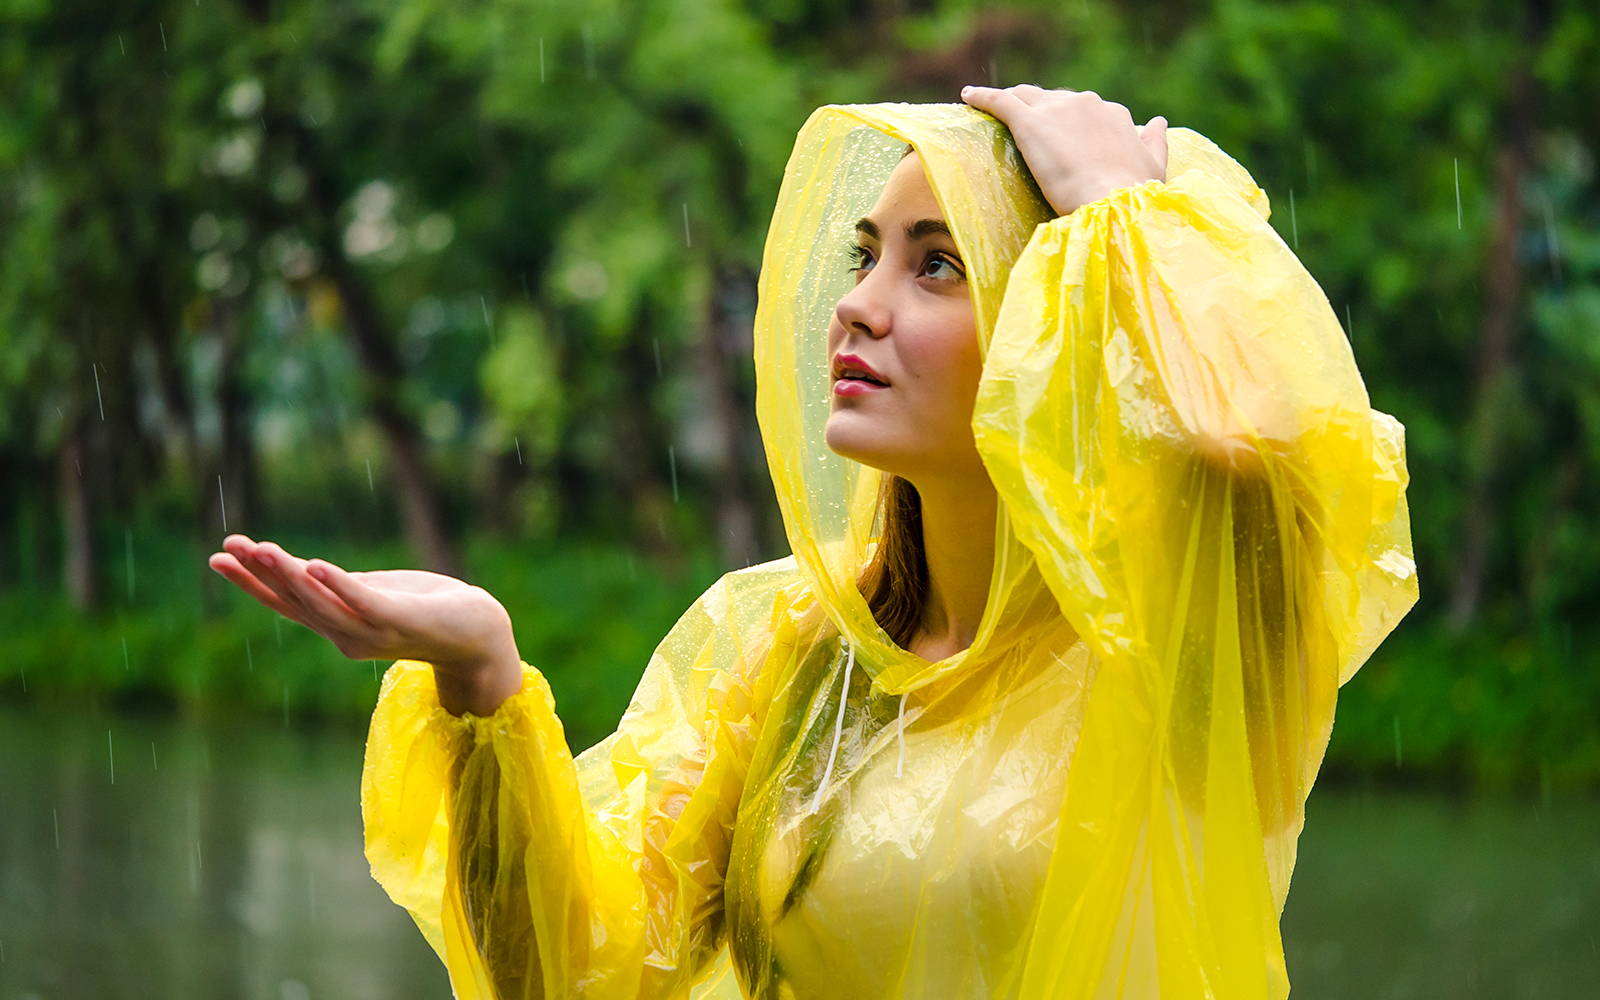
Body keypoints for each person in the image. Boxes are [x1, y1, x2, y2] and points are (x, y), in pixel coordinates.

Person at [210, 86, 1418, 1000]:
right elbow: (569, 973)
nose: (857, 303)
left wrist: (1118, 210)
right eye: (865, 256)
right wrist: (479, 678)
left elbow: (1248, 439)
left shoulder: (1180, 635)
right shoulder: (795, 650)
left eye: (937, 264)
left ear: (1051, 320)